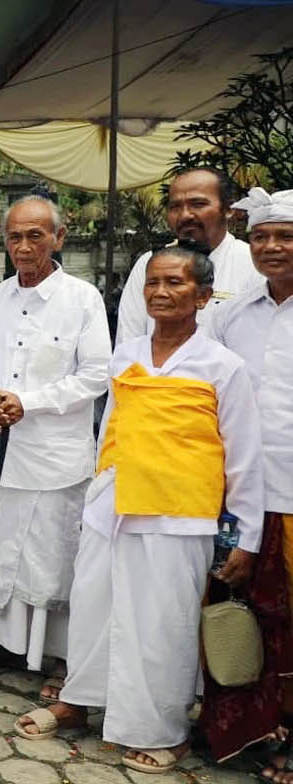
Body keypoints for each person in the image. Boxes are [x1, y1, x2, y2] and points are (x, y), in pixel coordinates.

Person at [17, 241, 262, 776]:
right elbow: (110, 431)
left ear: (202, 296)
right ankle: (79, 700)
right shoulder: (126, 355)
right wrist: (95, 495)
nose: (161, 292)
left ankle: (163, 730)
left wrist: (248, 537)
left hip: (178, 513)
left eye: (175, 283)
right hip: (113, 504)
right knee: (94, 608)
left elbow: (243, 458)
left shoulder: (224, 367)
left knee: (163, 623)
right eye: (153, 282)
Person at [0, 199, 111, 700]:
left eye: (36, 236)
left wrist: (29, 402)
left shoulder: (82, 298)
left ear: (59, 237)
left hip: (55, 456)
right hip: (0, 450)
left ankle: (60, 658)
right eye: (15, 237)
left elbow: (95, 375)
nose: (24, 247)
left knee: (52, 555)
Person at [206, 187, 293, 772]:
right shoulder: (231, 312)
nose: (271, 247)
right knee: (237, 615)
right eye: (261, 236)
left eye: (285, 236)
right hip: (237, 496)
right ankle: (247, 736)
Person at [116, 168, 257, 344]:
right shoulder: (150, 264)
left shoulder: (253, 264)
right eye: (175, 207)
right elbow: (128, 341)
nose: (185, 215)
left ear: (228, 209)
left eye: (198, 204)